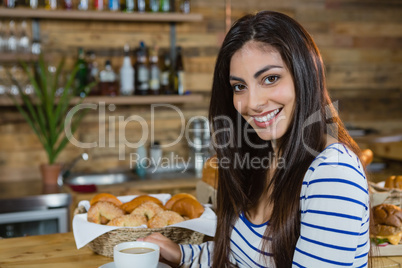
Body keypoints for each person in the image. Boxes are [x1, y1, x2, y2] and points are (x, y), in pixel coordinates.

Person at [139, 11, 370, 267]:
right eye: (240, 86)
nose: (253, 103)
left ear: (305, 75)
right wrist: (182, 255)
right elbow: (239, 256)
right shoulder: (260, 155)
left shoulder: (333, 172)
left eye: (270, 79)